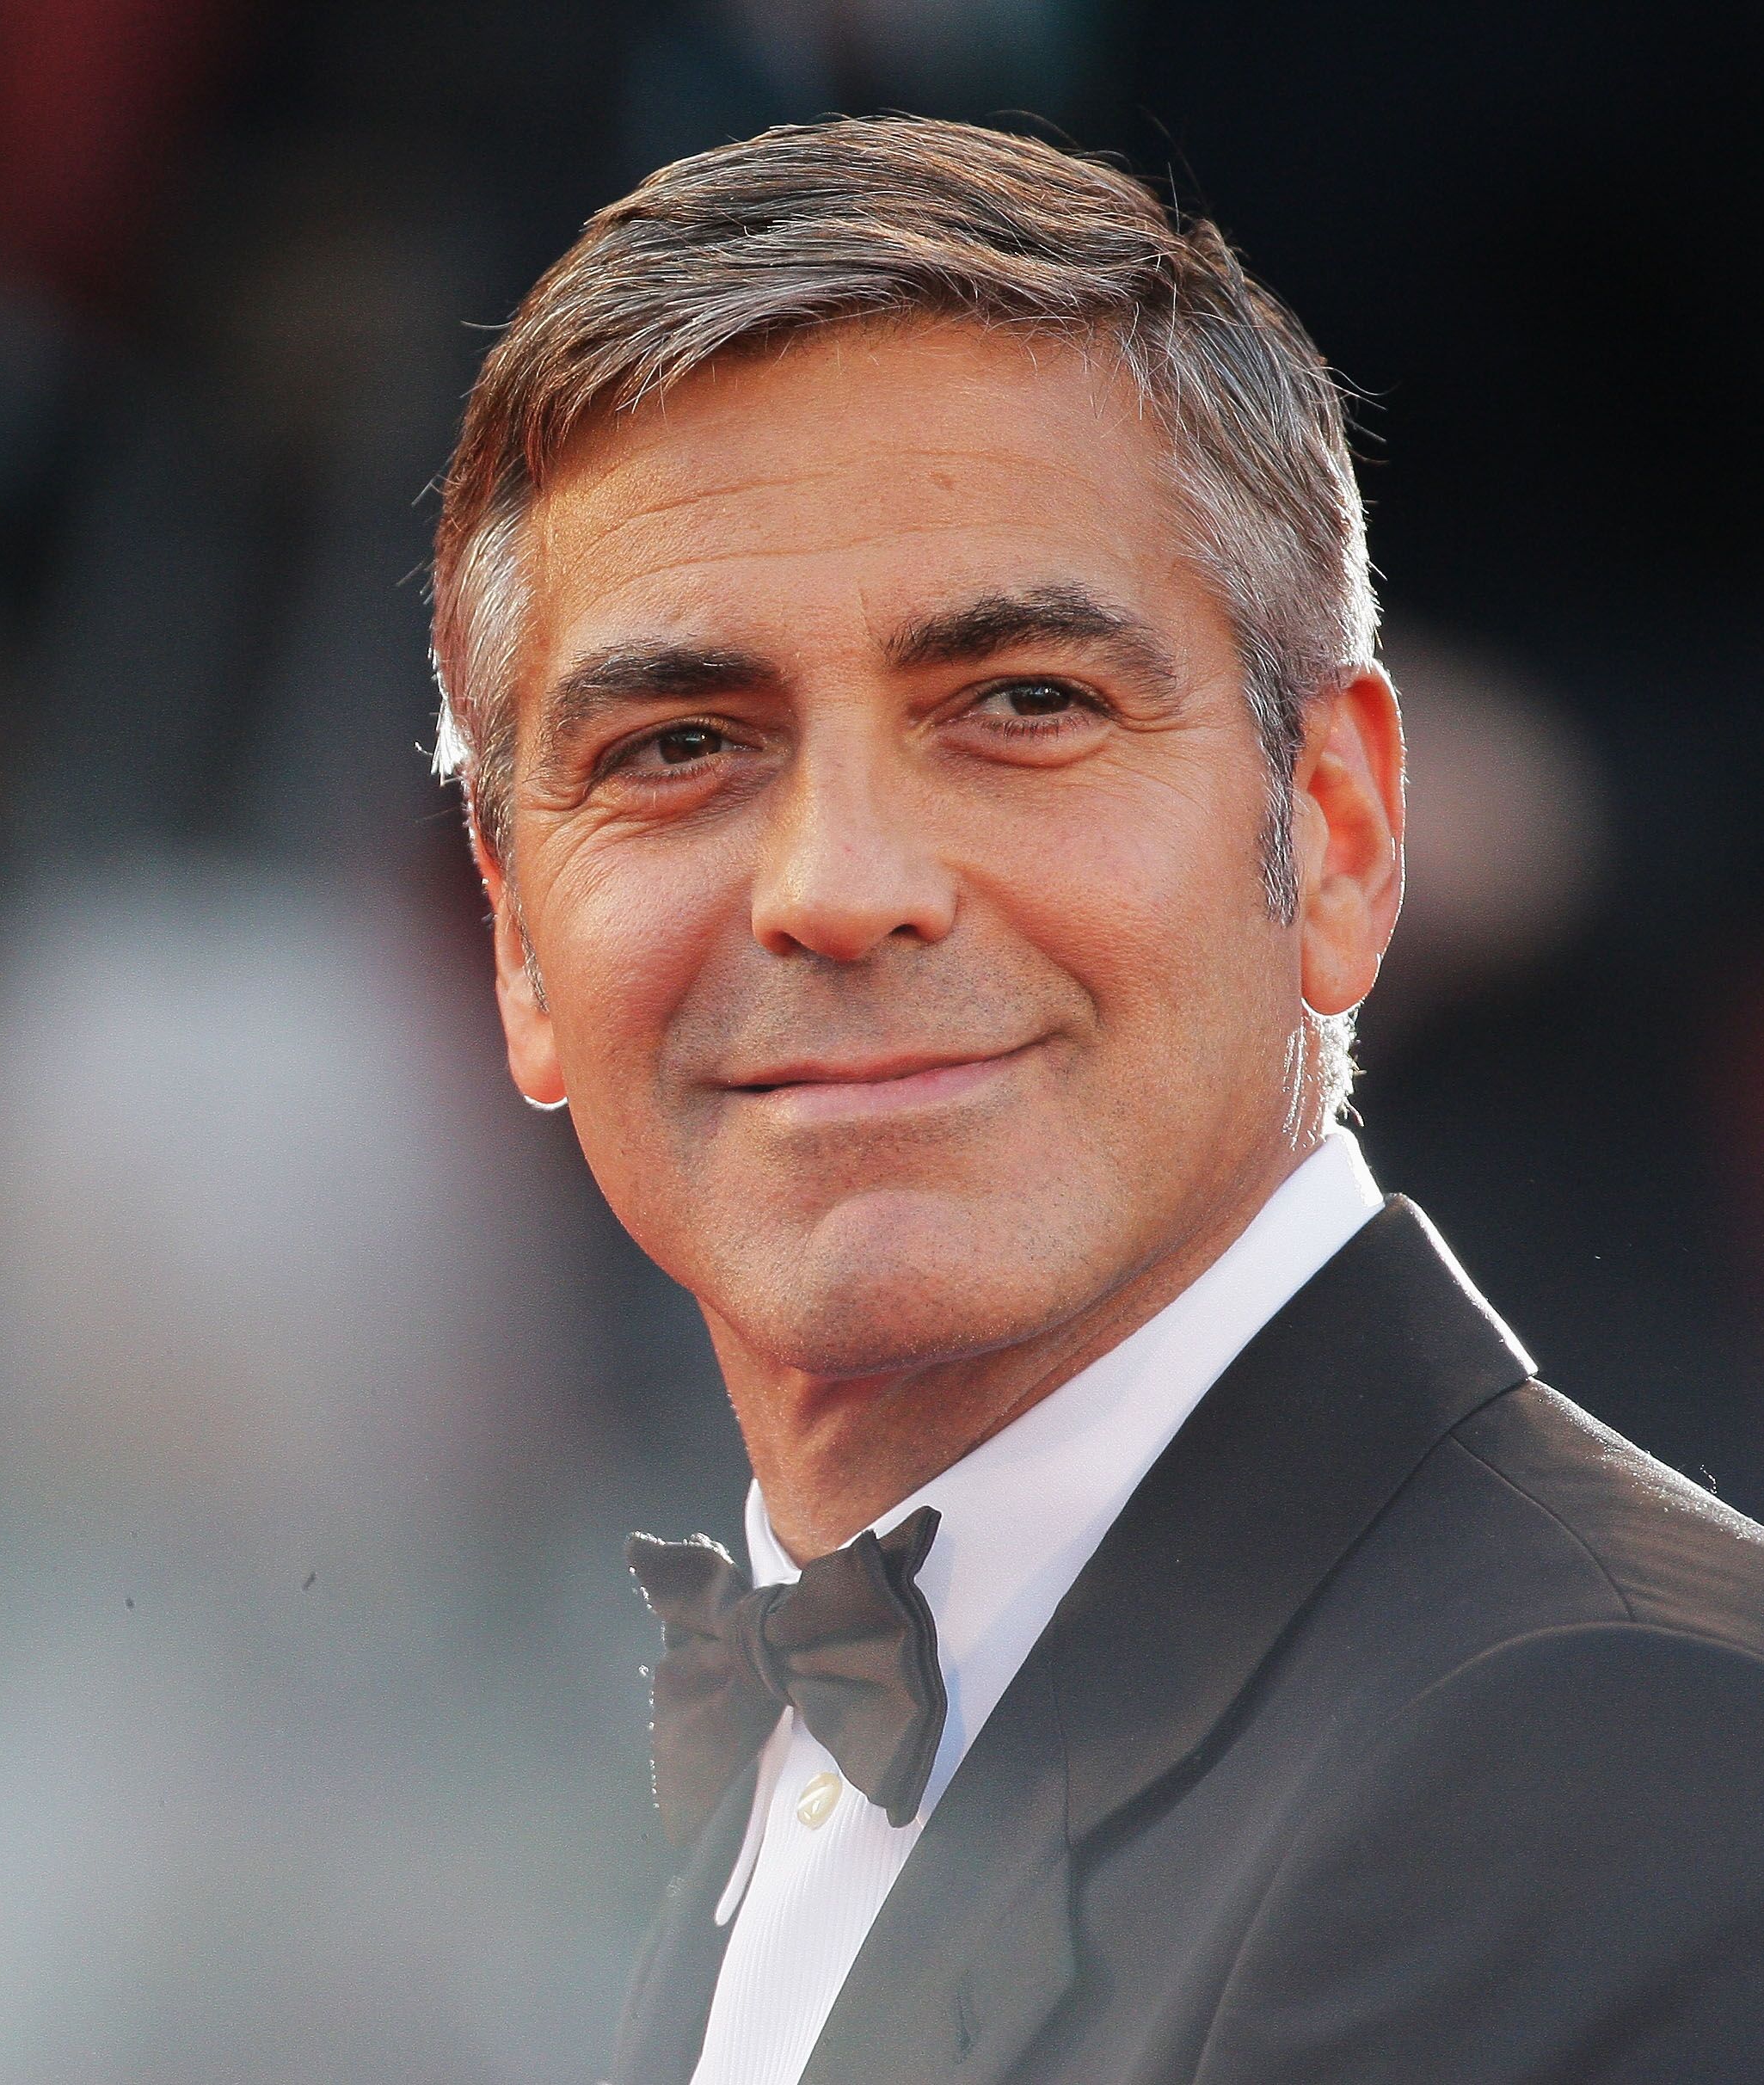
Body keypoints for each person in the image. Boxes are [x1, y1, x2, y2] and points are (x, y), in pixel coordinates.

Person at [423, 116, 1764, 2085]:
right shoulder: (838, 1748)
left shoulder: (1595, 1751)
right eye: (683, 743)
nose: (838, 883)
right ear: (521, 952)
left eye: (1023, 705)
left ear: (1341, 830)